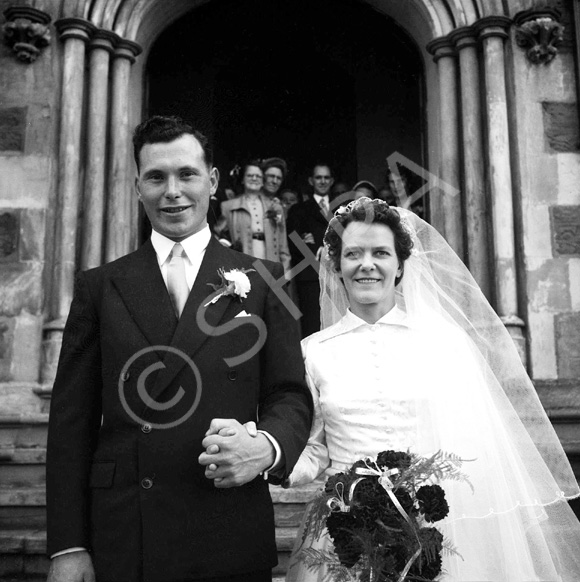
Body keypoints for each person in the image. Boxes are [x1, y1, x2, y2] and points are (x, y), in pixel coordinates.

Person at [46, 115, 313, 582]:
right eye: (156, 177)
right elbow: (72, 423)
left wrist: (265, 448)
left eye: (186, 174)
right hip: (128, 535)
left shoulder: (263, 279)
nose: (172, 191)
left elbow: (289, 394)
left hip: (228, 524)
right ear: (138, 186)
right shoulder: (100, 286)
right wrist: (69, 545)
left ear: (211, 181)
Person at [285, 197, 580, 581]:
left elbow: (476, 446)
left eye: (381, 253)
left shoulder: (444, 343)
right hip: (343, 534)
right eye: (353, 254)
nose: (366, 264)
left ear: (401, 265)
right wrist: (271, 462)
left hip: (434, 528)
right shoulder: (313, 352)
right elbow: (314, 448)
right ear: (338, 266)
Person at [286, 164, 334, 338]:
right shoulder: (299, 210)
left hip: (337, 274)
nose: (322, 181)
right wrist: (317, 249)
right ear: (311, 181)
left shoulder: (341, 208)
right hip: (310, 275)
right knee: (312, 326)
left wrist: (327, 247)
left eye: (326, 177)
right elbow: (294, 240)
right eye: (318, 177)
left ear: (331, 181)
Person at [220, 161, 291, 273]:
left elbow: (282, 243)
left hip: (270, 263)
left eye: (258, 176)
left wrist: (286, 273)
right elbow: (218, 237)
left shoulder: (275, 207)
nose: (254, 178)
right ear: (243, 179)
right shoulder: (228, 206)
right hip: (242, 265)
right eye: (249, 175)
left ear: (263, 181)